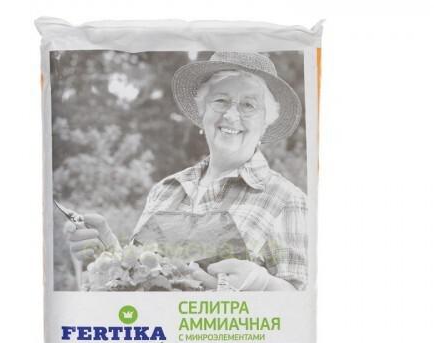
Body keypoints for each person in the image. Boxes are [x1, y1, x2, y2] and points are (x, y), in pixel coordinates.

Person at [67, 52, 308, 291]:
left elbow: (300, 302)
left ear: (265, 123)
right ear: (202, 113)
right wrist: (106, 252)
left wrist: (262, 283)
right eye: (220, 101)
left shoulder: (286, 199)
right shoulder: (165, 189)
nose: (231, 115)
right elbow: (141, 280)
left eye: (248, 105)